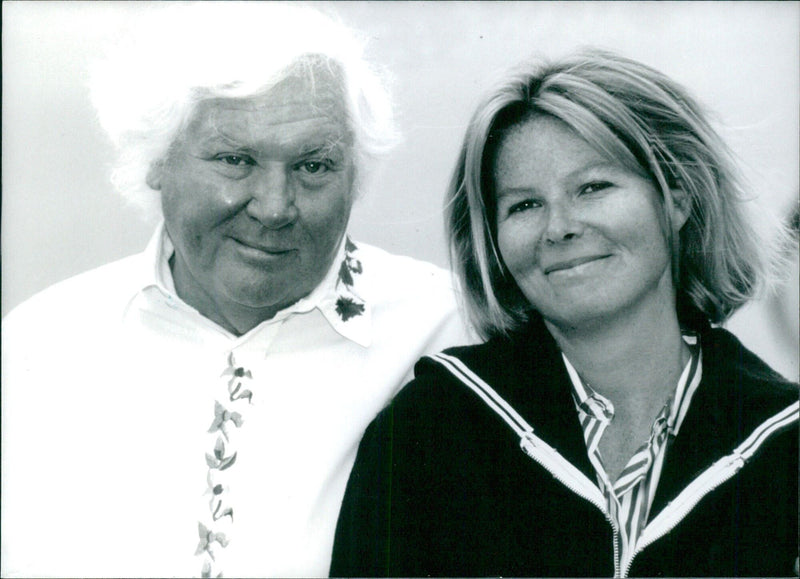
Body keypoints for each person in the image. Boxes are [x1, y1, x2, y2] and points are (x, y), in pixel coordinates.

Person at [0, 4, 472, 577]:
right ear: (157, 161)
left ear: (355, 175)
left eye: (314, 166)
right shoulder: (36, 348)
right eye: (235, 159)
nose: (274, 207)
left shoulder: (453, 332)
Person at [331, 49, 799, 577]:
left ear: (678, 196)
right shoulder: (430, 429)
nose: (559, 228)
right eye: (524, 205)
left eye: (593, 187)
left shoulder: (784, 442)